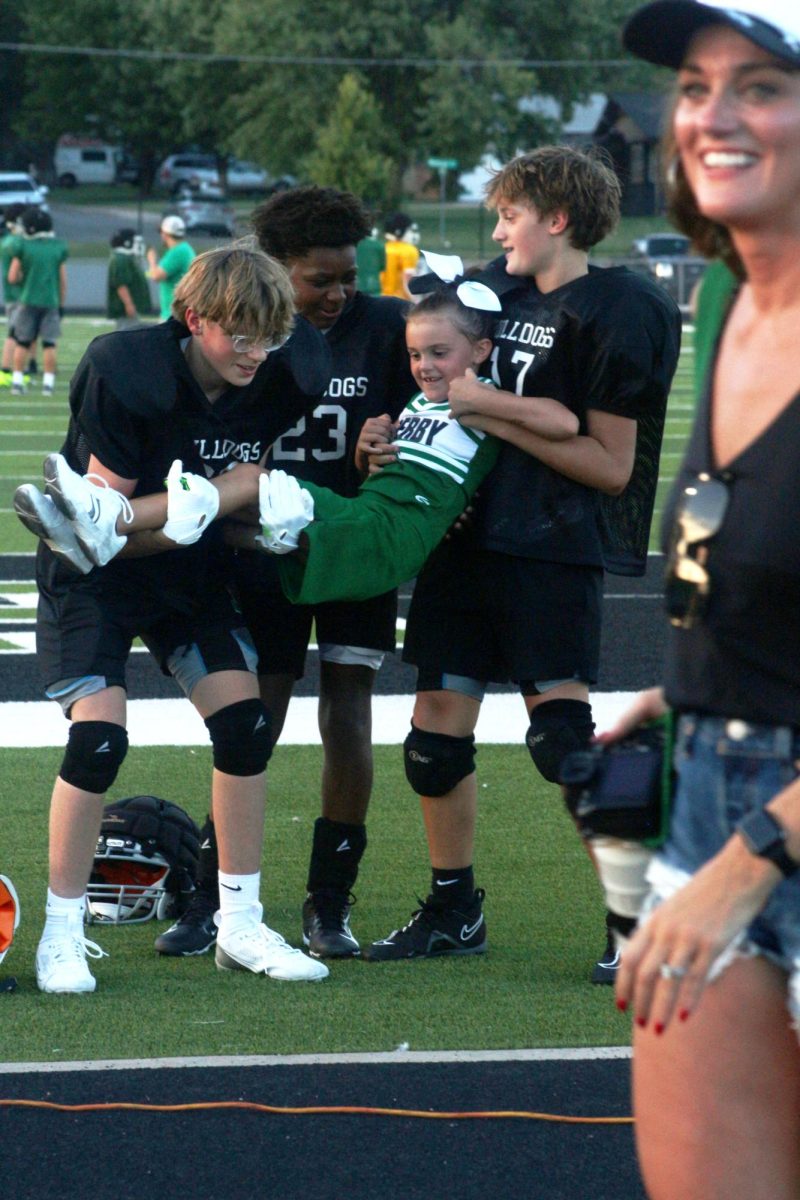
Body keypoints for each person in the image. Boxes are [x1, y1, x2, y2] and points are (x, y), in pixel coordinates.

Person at [359, 145, 681, 972]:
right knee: (432, 742)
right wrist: (390, 439)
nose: (497, 231)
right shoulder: (488, 295)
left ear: (557, 219)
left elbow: (609, 467)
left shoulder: (618, 308)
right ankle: (453, 909)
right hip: (462, 546)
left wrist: (487, 408)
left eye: (509, 215)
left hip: (549, 546)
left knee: (562, 744)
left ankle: (639, 921)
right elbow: (438, 389)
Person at [592, 3, 800, 1197]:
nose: (713, 116)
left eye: (760, 86)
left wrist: (754, 855)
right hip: (712, 804)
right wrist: (685, 692)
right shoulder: (723, 298)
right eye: (693, 83)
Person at [16, 245, 330, 993]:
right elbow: (98, 532)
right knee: (97, 739)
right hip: (95, 571)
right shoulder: (129, 368)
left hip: (186, 569)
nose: (257, 353)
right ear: (193, 319)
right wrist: (217, 498)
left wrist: (241, 506)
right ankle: (61, 934)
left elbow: (225, 507)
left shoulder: (287, 368)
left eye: (269, 336)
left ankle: (241, 924)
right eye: (239, 335)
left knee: (246, 726)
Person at [152, 186, 419, 962]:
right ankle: (213, 897)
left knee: (348, 712)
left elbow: (427, 423)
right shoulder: (248, 328)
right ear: (276, 269)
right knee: (251, 715)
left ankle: (328, 901)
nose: (337, 294)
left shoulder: (389, 331)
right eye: (318, 279)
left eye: (348, 278)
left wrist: (386, 454)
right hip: (258, 550)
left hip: (353, 547)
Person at [8, 206, 68, 397]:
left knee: (22, 343)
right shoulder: (57, 247)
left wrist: (23, 277)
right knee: (49, 344)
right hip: (50, 301)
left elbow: (12, 277)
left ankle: (17, 382)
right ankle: (48, 385)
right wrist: (61, 304)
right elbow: (63, 280)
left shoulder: (23, 247)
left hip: (27, 300)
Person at [147, 215, 195, 320]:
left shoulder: (177, 252)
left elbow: (156, 276)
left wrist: (151, 260)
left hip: (173, 314)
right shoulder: (184, 249)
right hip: (177, 312)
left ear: (165, 234)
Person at [107, 227, 152, 330]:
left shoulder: (124, 258)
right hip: (124, 309)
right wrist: (129, 304)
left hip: (129, 306)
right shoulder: (120, 259)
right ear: (127, 242)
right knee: (126, 334)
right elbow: (121, 284)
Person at [380, 212, 420, 299]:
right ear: (399, 232)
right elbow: (408, 282)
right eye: (409, 230)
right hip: (400, 302)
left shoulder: (382, 248)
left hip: (380, 300)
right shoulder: (408, 250)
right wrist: (417, 303)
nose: (412, 234)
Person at [355, 224, 386, 297]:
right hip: (374, 287)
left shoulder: (353, 244)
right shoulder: (379, 245)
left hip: (356, 287)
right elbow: (382, 267)